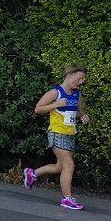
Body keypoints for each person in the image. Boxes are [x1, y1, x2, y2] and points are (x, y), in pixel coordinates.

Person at [23, 64, 90, 210]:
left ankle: (32, 173)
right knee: (69, 165)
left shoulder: (77, 94)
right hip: (56, 132)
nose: (81, 82)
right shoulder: (56, 92)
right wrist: (56, 105)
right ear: (70, 75)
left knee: (60, 167)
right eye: (79, 79)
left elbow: (79, 112)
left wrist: (83, 116)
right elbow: (38, 109)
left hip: (70, 133)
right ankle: (67, 199)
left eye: (82, 80)